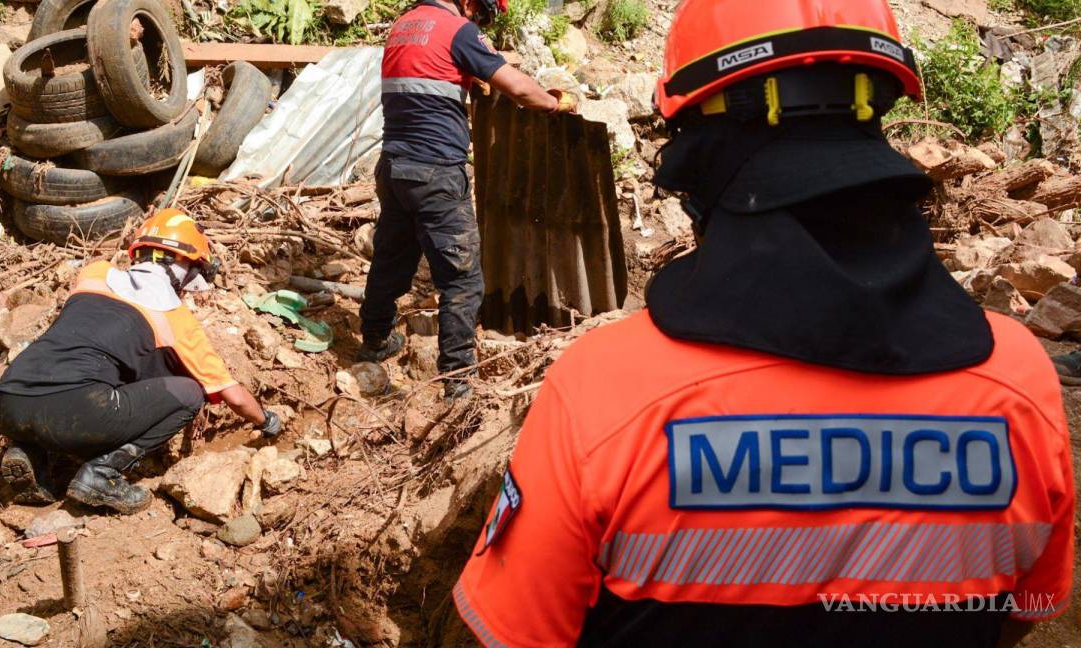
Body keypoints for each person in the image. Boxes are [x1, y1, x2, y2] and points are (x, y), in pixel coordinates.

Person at [453, 0, 1075, 645]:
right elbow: (1018, 618)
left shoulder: (607, 388)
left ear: (698, 145)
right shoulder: (1018, 380)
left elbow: (517, 632)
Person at [0, 209, 283, 515]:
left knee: (83, 375)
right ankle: (102, 474)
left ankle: (29, 451)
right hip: (80, 408)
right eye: (195, 269)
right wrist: (267, 421)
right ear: (182, 263)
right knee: (189, 393)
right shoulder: (176, 319)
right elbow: (233, 396)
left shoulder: (94, 274)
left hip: (10, 401)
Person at [358, 0, 577, 402]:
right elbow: (517, 87)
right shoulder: (457, 30)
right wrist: (551, 102)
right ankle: (458, 380)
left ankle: (373, 341)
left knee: (392, 259)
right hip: (436, 172)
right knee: (462, 279)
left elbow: (428, 77)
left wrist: (465, 79)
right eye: (481, 13)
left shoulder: (404, 26)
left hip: (394, 168)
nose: (478, 21)